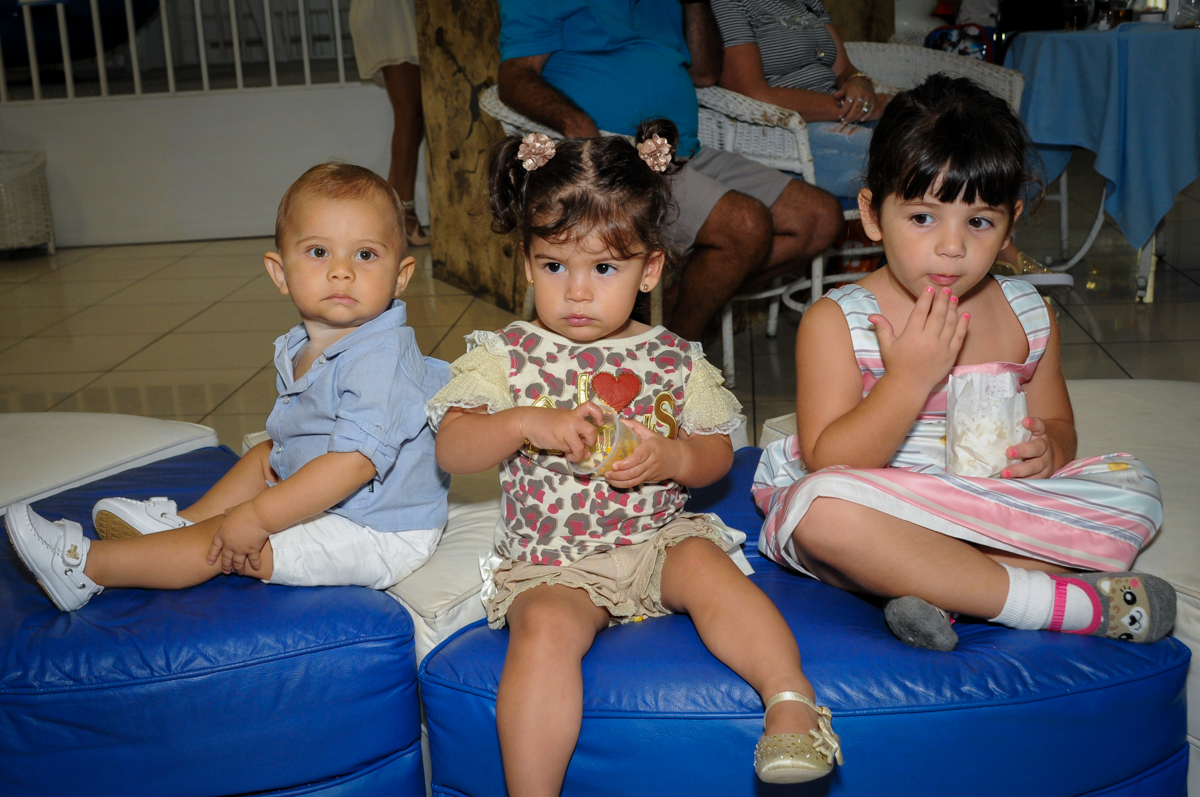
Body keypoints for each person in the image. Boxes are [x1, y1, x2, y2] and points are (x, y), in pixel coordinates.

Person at [427, 122, 843, 794]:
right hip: (555, 561)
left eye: (605, 267)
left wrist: (671, 454)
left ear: (650, 268)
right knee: (544, 633)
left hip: (656, 539)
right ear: (528, 262)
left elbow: (716, 458)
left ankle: (791, 705)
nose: (578, 291)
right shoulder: (507, 354)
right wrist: (529, 420)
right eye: (554, 265)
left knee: (713, 573)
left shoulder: (673, 356)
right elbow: (453, 444)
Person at [753, 75, 1174, 652]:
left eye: (978, 221)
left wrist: (1047, 450)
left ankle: (939, 586)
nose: (951, 246)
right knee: (821, 514)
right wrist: (907, 380)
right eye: (923, 217)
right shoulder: (840, 320)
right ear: (873, 215)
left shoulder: (1028, 314)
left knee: (1136, 486)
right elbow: (831, 460)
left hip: (994, 500)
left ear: (1009, 225)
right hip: (889, 497)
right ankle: (1064, 604)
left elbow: (1059, 426)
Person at [5, 163, 451, 612]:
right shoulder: (308, 341)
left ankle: (84, 568)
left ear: (400, 276)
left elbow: (352, 465)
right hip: (342, 493)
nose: (341, 272)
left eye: (366, 255)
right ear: (280, 273)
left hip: (378, 530)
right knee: (266, 454)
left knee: (223, 543)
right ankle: (182, 523)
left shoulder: (380, 358)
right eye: (318, 252)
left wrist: (255, 518)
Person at [496, 0, 843, 342]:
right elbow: (514, 76)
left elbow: (705, 73)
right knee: (746, 225)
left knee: (819, 217)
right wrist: (577, 125)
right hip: (615, 161)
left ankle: (665, 312)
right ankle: (678, 358)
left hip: (684, 148)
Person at [712, 0, 891, 198]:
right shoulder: (728, 4)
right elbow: (752, 94)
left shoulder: (806, 2)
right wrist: (850, 107)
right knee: (907, 154)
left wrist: (859, 81)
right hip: (786, 127)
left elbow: (843, 69)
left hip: (839, 110)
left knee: (923, 127)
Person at [349, 0, 428, 245]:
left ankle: (396, 216)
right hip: (390, 12)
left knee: (413, 115)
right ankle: (402, 218)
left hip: (390, 12)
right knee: (410, 115)